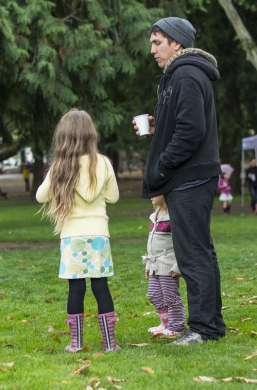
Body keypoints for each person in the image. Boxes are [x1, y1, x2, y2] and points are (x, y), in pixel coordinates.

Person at [133, 17, 226, 345]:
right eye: (152, 42)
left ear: (177, 42)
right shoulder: (184, 73)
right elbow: (185, 122)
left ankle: (202, 329)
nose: (152, 49)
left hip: (190, 179)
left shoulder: (186, 73)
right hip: (192, 177)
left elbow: (191, 131)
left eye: (157, 42)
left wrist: (161, 166)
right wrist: (160, 125)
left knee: (192, 255)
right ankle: (212, 326)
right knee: (202, 252)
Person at [36, 108, 120, 353]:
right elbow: (113, 197)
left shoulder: (60, 167)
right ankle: (110, 344)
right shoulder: (103, 162)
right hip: (98, 234)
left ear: (63, 137)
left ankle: (77, 343)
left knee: (76, 288)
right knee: (100, 286)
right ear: (90, 135)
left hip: (72, 236)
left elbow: (41, 196)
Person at [143, 195, 185, 336]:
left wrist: (179, 265)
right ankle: (166, 324)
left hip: (169, 264)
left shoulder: (173, 215)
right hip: (155, 264)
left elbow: (182, 242)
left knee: (170, 296)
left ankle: (177, 326)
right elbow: (152, 243)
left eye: (155, 193)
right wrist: (148, 264)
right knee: (154, 294)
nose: (151, 196)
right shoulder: (154, 216)